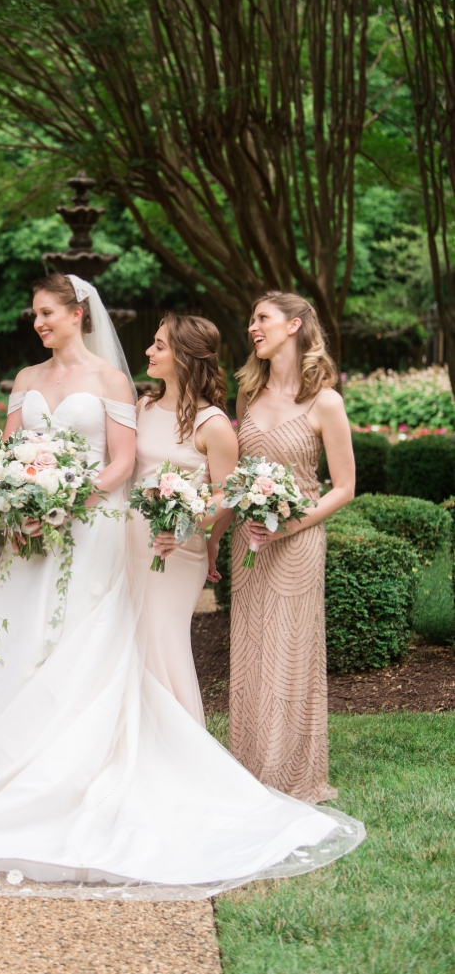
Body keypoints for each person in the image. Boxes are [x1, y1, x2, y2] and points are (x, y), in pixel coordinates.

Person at [0, 273, 360, 894]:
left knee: (88, 642)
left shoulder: (114, 383)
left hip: (90, 530)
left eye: (46, 312)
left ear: (77, 314)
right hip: (29, 537)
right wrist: (17, 504)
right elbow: (6, 454)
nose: (37, 323)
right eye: (33, 314)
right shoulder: (27, 381)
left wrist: (67, 496)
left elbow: (121, 462)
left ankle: (87, 770)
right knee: (14, 644)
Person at [231, 292, 354, 803]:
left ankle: (292, 773)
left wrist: (288, 525)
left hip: (298, 540)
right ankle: (247, 768)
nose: (253, 327)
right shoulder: (247, 395)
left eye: (262, 319)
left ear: (294, 325)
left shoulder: (326, 401)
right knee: (250, 648)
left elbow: (344, 487)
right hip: (249, 542)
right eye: (253, 320)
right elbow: (235, 474)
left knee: (290, 649)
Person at [129, 314, 238, 726]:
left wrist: (190, 531)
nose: (149, 351)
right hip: (132, 541)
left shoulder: (213, 424)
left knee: (162, 637)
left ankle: (179, 740)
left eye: (160, 345)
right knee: (134, 638)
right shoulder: (144, 406)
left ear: (186, 356)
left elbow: (227, 496)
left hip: (177, 550)